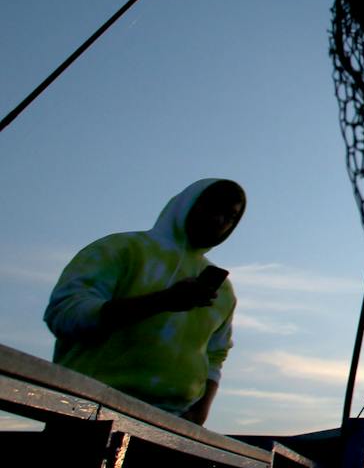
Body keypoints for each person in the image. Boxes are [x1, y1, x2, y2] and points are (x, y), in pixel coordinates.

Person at [44, 178, 246, 426]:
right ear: (187, 204)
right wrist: (162, 301)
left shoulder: (223, 291)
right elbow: (64, 314)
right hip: (87, 409)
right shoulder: (120, 249)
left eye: (230, 216)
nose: (220, 220)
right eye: (213, 208)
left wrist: (199, 412)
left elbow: (215, 354)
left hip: (172, 424)